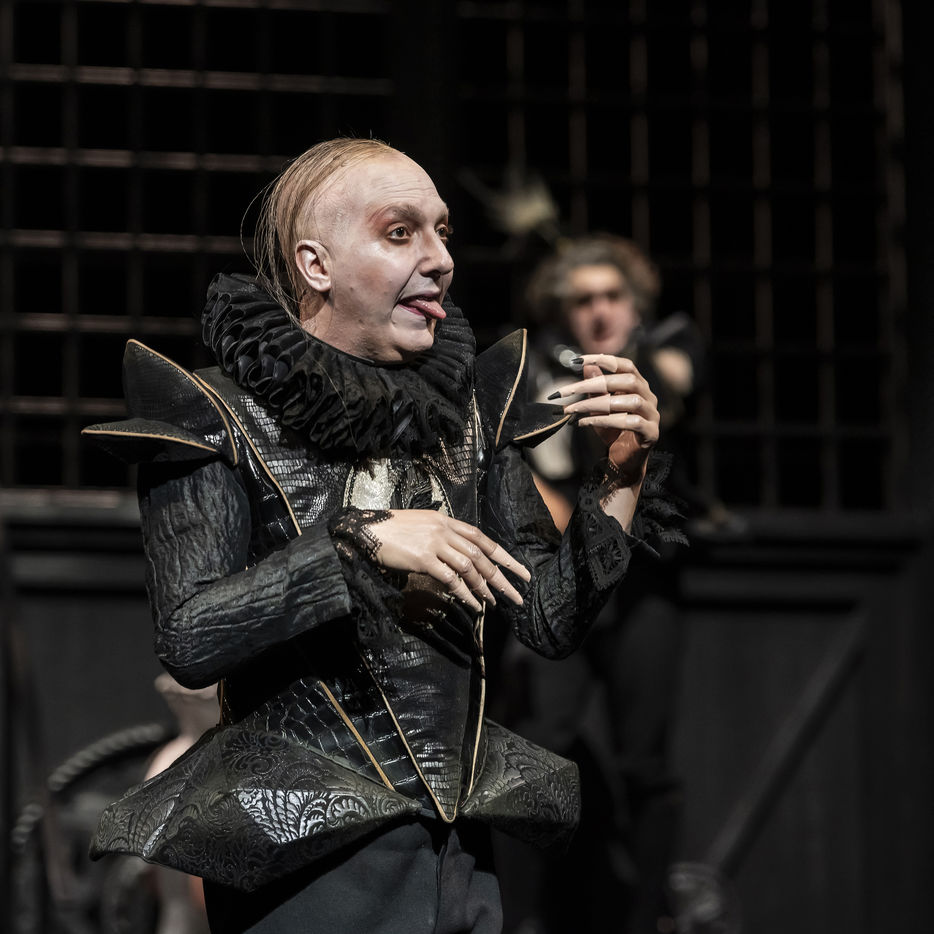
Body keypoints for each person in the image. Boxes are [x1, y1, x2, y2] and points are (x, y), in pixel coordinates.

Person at [82, 139, 671, 934]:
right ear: (316, 265)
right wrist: (357, 543)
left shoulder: (466, 418)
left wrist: (621, 477)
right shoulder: (216, 415)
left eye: (443, 232)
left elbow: (547, 618)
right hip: (305, 856)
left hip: (456, 852)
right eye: (400, 233)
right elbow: (189, 637)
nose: (440, 259)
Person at [492, 234, 699, 934]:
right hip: (568, 572)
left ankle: (649, 918)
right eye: (583, 301)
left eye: (612, 296)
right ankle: (521, 918)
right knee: (535, 744)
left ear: (635, 305)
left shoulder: (667, 347)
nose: (599, 311)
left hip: (646, 583)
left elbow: (674, 383)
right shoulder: (537, 371)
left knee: (645, 760)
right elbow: (528, 475)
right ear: (563, 312)